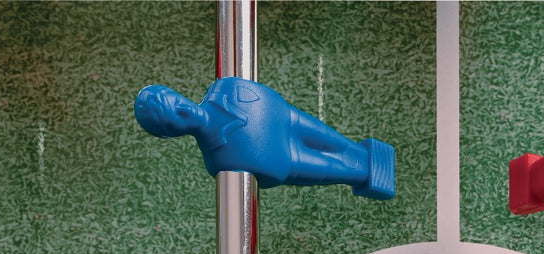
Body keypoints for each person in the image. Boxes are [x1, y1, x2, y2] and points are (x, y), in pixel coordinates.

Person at [135, 79, 395, 198]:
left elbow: (270, 102)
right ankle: (367, 176)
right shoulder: (220, 161)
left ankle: (366, 157)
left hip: (289, 119)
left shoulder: (226, 88)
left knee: (334, 141)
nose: (185, 109)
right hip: (288, 160)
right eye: (176, 117)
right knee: (332, 169)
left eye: (176, 101)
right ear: (173, 132)